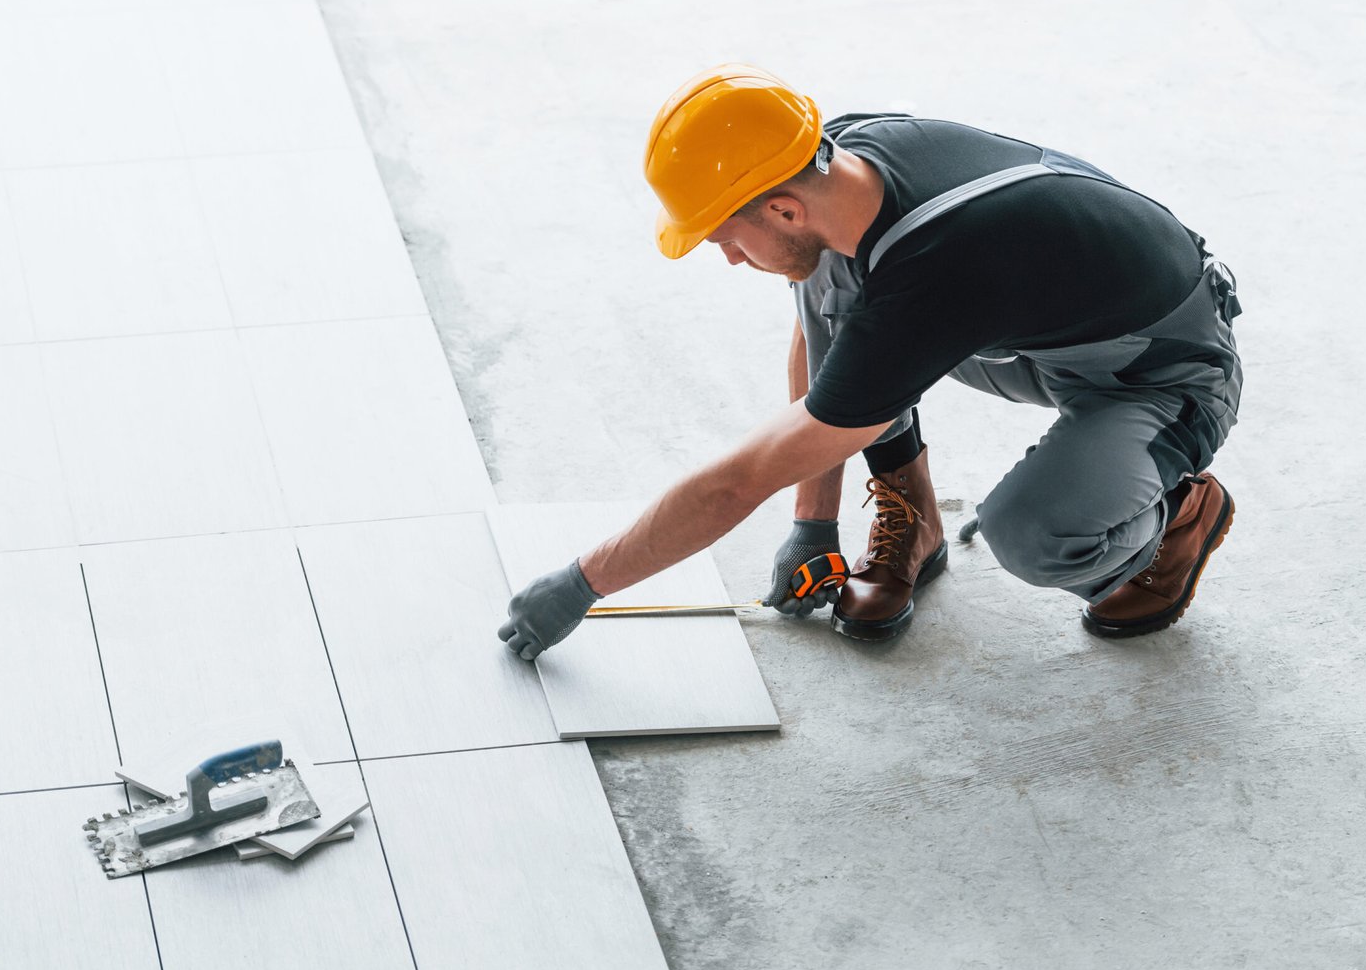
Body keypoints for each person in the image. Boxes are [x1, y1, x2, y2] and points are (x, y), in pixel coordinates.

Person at [497, 63, 1242, 659]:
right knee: (825, 282)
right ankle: (914, 520)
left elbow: (736, 484)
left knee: (1034, 533)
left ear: (782, 208)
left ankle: (1176, 516)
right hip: (1036, 329)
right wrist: (814, 526)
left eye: (724, 235)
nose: (725, 257)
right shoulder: (838, 158)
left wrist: (583, 582)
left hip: (1160, 368)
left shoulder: (937, 272)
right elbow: (831, 341)